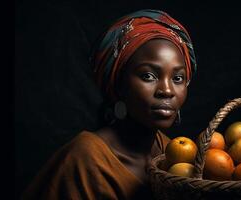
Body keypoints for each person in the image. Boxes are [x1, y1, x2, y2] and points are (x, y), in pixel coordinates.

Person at [22, 9, 197, 200]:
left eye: (178, 78)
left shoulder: (171, 152)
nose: (167, 90)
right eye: (148, 76)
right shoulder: (86, 160)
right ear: (117, 84)